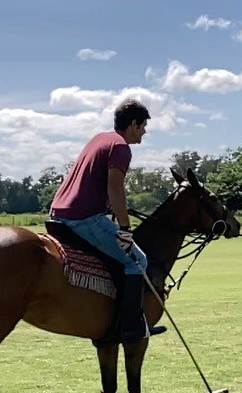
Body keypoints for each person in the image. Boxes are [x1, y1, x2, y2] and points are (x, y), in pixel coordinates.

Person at [50, 99, 164, 343]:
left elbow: (98, 186)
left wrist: (113, 207)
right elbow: (115, 188)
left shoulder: (99, 139)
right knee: (137, 260)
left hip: (58, 213)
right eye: (143, 126)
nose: (144, 131)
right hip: (82, 217)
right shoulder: (121, 146)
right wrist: (125, 228)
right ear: (133, 124)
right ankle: (131, 327)